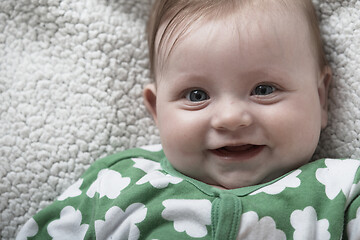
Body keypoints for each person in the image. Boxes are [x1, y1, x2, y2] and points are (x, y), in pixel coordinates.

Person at [17, 0, 360, 239]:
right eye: (196, 95)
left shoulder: (342, 191)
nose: (230, 118)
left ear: (320, 97)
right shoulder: (116, 184)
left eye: (264, 89)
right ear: (155, 109)